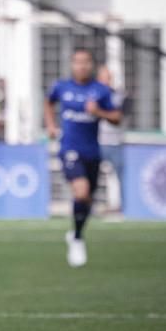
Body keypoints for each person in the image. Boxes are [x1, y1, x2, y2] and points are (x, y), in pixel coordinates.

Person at [44, 49, 122, 267]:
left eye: (86, 62)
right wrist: (51, 125)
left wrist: (99, 113)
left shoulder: (100, 91)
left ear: (92, 65)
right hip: (69, 149)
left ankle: (76, 232)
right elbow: (48, 102)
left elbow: (117, 117)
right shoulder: (62, 87)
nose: (82, 66)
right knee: (81, 191)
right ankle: (77, 240)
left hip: (93, 152)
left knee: (87, 200)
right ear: (72, 64)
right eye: (77, 62)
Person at [96, 65, 126, 213]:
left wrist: (98, 111)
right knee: (91, 176)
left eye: (109, 77)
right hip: (96, 142)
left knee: (121, 176)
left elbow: (117, 116)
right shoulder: (91, 93)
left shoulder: (117, 95)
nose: (106, 81)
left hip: (115, 142)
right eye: (104, 77)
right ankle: (90, 207)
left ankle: (123, 207)